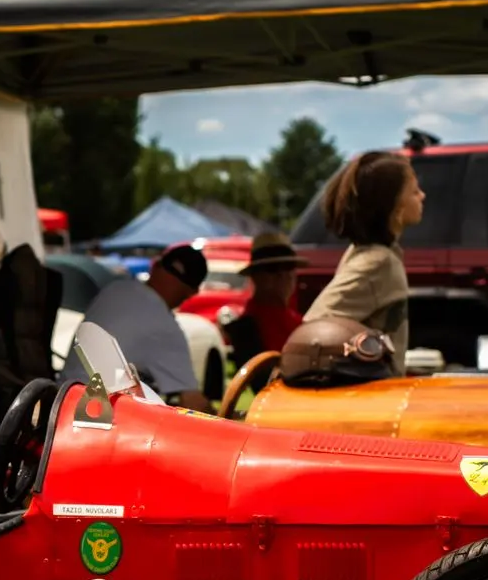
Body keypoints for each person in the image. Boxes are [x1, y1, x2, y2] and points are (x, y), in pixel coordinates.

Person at [303, 150, 425, 374]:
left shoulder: (369, 253)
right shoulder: (378, 262)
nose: (422, 196)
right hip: (373, 401)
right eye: (414, 191)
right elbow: (316, 322)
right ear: (394, 205)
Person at [66, 244, 211, 411]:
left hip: (64, 400)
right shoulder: (164, 326)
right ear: (192, 292)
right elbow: (193, 402)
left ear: (156, 266)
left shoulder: (115, 289)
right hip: (97, 417)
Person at [221, 232, 307, 367]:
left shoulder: (297, 320)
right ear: (255, 276)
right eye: (272, 268)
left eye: (289, 266)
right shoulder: (246, 329)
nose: (283, 275)